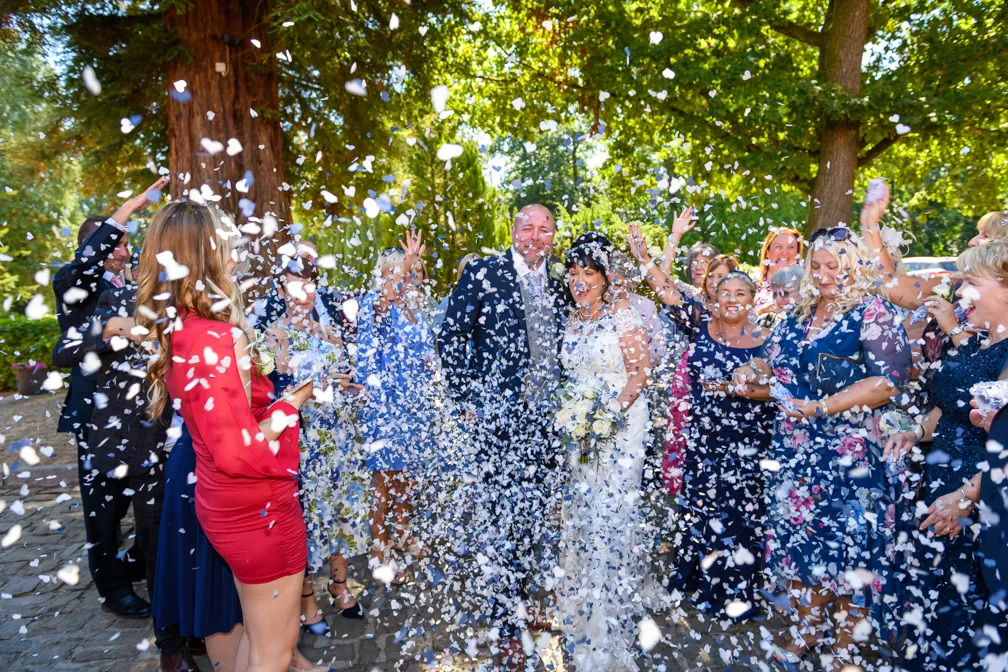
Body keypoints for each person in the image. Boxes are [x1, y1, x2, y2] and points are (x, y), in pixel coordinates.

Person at [136, 200, 323, 672]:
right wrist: (294, 401)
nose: (238, 258)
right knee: (273, 653)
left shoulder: (180, 328)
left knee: (254, 640)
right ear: (200, 255)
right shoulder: (219, 338)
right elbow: (241, 451)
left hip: (222, 503)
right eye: (228, 247)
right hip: (256, 509)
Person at [732, 226, 912, 666]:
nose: (825, 274)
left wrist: (821, 407)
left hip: (852, 453)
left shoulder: (874, 312)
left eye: (836, 266)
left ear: (855, 267)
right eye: (818, 265)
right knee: (800, 544)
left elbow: (887, 383)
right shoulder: (799, 313)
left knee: (850, 550)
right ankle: (808, 632)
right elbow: (770, 359)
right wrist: (749, 368)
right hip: (796, 448)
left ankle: (845, 648)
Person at [436, 204, 570, 670]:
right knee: (500, 521)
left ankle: (523, 602)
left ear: (554, 235)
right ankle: (505, 628)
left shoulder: (560, 280)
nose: (536, 236)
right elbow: (450, 337)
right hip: (497, 421)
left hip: (547, 422)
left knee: (532, 519)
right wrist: (470, 398)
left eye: (545, 229)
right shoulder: (482, 273)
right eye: (527, 227)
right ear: (513, 231)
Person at [52, 281, 197, 671]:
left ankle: (194, 627)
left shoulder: (198, 296)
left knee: (189, 540)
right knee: (154, 544)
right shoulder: (118, 298)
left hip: (194, 441)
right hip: (133, 446)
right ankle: (171, 646)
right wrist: (114, 328)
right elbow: (63, 350)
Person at [884, 242, 1008, 670]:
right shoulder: (974, 342)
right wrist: (915, 431)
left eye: (971, 284)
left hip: (979, 498)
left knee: (967, 612)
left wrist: (968, 497)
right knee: (930, 603)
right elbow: (949, 408)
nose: (960, 295)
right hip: (940, 485)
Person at [50, 178, 167, 615]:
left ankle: (139, 565)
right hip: (95, 414)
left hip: (142, 411)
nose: (122, 251)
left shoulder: (136, 281)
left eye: (126, 245)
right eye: (115, 244)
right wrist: (126, 210)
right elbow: (69, 347)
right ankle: (112, 588)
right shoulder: (74, 286)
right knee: (103, 508)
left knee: (147, 501)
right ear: (94, 247)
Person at [556, 232, 652, 669]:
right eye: (573, 273)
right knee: (583, 515)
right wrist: (579, 419)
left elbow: (640, 374)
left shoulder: (624, 315)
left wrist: (607, 417)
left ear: (605, 277)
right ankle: (581, 609)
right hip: (581, 429)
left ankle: (608, 620)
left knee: (610, 518)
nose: (579, 281)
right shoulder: (573, 319)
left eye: (588, 273)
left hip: (621, 424)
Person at [265, 256, 369, 632]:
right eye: (295, 284)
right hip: (303, 439)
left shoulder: (330, 332)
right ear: (280, 290)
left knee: (343, 509)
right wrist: (309, 388)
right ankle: (306, 596)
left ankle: (339, 583)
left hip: (339, 435)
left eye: (310, 283)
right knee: (308, 517)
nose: (304, 291)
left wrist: (353, 389)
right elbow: (272, 396)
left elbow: (345, 379)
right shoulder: (273, 336)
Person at [355, 232, 436, 582]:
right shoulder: (376, 301)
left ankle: (402, 532)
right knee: (383, 481)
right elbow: (384, 301)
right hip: (383, 403)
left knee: (406, 477)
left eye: (412, 272)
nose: (406, 277)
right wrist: (405, 264)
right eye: (398, 272)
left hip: (413, 404)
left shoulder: (416, 308)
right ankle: (379, 550)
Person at [755, 227, 804, 313]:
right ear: (767, 252)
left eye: (791, 247)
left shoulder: (807, 286)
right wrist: (759, 314)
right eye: (778, 247)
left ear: (797, 254)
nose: (785, 252)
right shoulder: (751, 287)